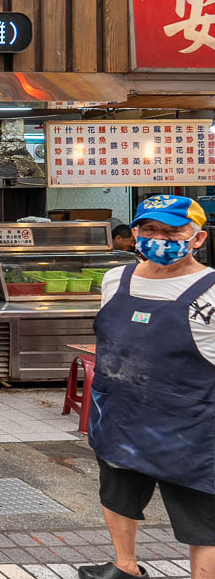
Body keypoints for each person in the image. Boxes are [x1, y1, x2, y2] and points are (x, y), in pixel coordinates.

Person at [82, 195, 215, 579]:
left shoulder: (209, 291)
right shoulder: (115, 279)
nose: (158, 238)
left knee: (203, 520)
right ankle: (126, 567)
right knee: (118, 496)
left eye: (172, 231)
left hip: (188, 426)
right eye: (149, 229)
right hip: (120, 416)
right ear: (135, 234)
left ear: (197, 239)